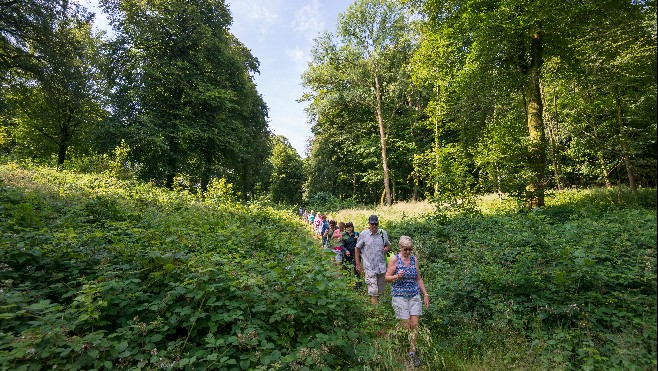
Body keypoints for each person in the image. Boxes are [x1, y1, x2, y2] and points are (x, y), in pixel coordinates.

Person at [385, 236, 430, 367]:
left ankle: (412, 354)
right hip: (399, 296)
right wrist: (396, 276)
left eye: (410, 249)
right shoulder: (395, 259)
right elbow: (387, 277)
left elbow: (418, 278)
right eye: (406, 249)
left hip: (414, 296)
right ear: (400, 248)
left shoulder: (414, 260)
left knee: (414, 325)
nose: (408, 252)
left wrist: (425, 294)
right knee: (406, 326)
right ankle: (395, 339)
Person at [355, 214, 391, 305]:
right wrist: (358, 264)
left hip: (381, 266)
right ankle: (375, 312)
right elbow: (357, 249)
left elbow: (388, 245)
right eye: (372, 224)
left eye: (376, 224)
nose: (374, 226)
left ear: (378, 223)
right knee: (373, 291)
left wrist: (386, 248)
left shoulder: (383, 233)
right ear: (369, 224)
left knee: (380, 291)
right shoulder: (364, 234)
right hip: (369, 266)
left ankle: (377, 308)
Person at [342, 221, 361, 289]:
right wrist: (346, 250)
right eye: (348, 227)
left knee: (356, 269)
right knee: (347, 269)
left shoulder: (356, 234)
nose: (349, 228)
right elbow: (342, 245)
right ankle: (347, 284)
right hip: (347, 255)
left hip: (355, 254)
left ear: (352, 227)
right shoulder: (344, 235)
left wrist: (358, 239)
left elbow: (361, 243)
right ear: (346, 228)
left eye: (350, 227)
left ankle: (358, 285)